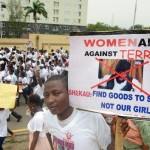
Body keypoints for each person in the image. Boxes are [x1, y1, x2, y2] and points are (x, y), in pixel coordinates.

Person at [43, 75, 111, 150]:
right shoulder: (47, 117)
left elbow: (109, 147)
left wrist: (115, 137)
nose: (50, 100)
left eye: (56, 93)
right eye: (46, 95)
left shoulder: (93, 118)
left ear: (70, 93)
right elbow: (48, 132)